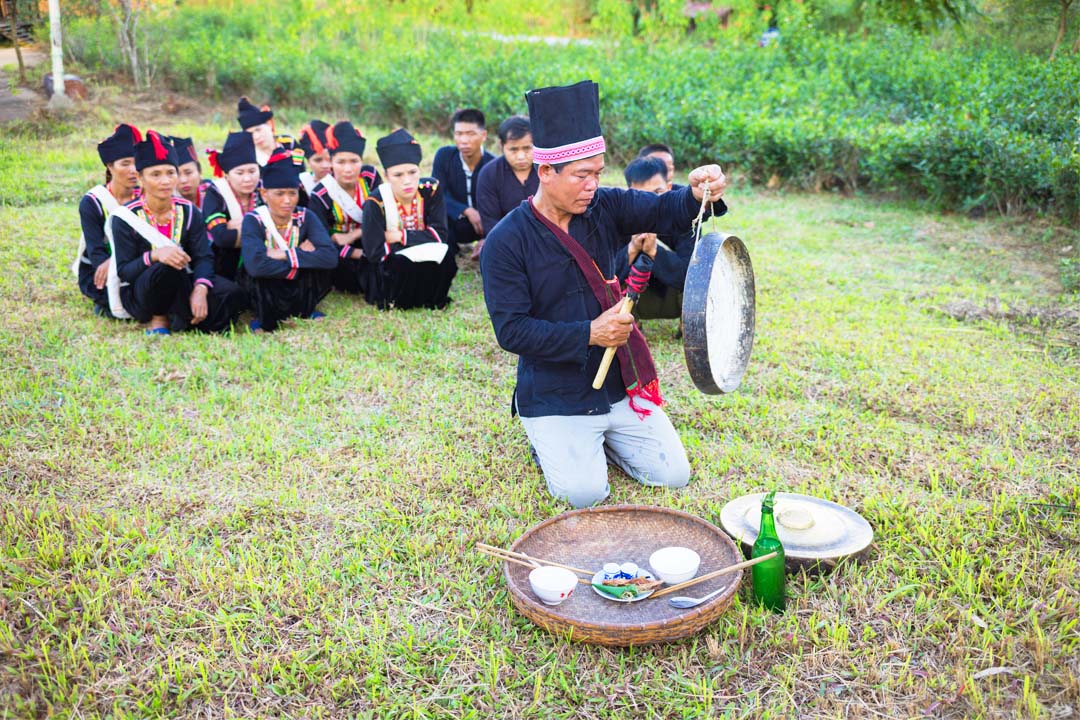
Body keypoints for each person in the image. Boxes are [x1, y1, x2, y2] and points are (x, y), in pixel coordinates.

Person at [480, 80, 728, 509]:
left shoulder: (604, 206)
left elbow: (665, 210)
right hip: (554, 390)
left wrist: (694, 192)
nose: (592, 185)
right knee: (585, 493)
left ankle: (602, 440)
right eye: (581, 175)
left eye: (598, 173)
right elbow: (512, 331)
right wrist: (589, 333)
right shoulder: (506, 241)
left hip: (616, 383)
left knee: (673, 474)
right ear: (545, 172)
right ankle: (548, 438)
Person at [111, 130, 246, 335]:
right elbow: (125, 271)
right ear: (140, 178)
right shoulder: (125, 217)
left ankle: (185, 317)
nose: (166, 181)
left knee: (232, 293)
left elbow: (203, 256)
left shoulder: (189, 211)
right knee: (165, 269)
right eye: (156, 174)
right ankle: (159, 318)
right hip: (144, 290)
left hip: (184, 281)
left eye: (170, 173)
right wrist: (154, 255)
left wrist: (200, 289)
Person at [241, 153, 338, 332]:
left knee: (320, 272)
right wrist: (300, 258)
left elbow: (330, 257)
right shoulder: (253, 220)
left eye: (292, 193)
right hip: (267, 283)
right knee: (257, 277)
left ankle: (306, 309)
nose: (287, 200)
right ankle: (262, 317)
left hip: (292, 277)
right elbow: (255, 265)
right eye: (279, 194)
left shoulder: (306, 216)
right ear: (264, 194)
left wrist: (284, 255)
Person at [361, 128, 456, 310]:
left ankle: (434, 299)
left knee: (447, 256)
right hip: (391, 266)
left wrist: (401, 236)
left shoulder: (430, 189)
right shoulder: (375, 202)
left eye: (412, 172)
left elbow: (440, 235)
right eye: (398, 175)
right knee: (401, 263)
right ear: (387, 175)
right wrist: (421, 238)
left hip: (420, 254)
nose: (407, 181)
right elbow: (374, 251)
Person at [613, 156, 695, 320]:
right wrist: (632, 249)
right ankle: (630, 324)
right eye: (641, 195)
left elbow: (692, 278)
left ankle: (687, 323)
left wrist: (654, 252)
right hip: (634, 302)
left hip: (674, 301)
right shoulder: (619, 218)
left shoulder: (685, 220)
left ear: (669, 188)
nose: (652, 202)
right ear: (628, 194)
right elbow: (605, 276)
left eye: (658, 193)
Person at [74, 123, 141, 318]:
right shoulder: (93, 201)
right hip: (102, 267)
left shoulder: (145, 196)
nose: (133, 170)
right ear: (110, 167)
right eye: (125, 164)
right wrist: (111, 263)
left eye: (137, 163)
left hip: (137, 264)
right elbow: (96, 252)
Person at [308, 121, 381, 294]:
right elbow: (321, 238)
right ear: (331, 162)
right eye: (341, 162)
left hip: (371, 240)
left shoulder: (370, 177)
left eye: (354, 161)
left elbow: (383, 216)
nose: (348, 169)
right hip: (341, 252)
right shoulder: (321, 194)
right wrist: (357, 253)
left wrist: (355, 234)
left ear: (361, 161)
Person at [475, 115, 539, 259]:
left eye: (527, 148)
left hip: (546, 237)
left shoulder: (549, 170)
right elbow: (490, 222)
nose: (521, 156)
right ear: (501, 146)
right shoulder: (489, 174)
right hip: (506, 241)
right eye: (514, 150)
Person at [432, 108, 495, 255]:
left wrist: (489, 235)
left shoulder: (494, 164)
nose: (464, 140)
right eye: (459, 134)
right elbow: (437, 192)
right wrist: (465, 210)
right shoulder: (444, 156)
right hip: (455, 222)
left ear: (483, 135)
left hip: (486, 225)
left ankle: (487, 246)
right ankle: (450, 250)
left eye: (471, 134)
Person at [203, 131, 260, 282]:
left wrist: (240, 228)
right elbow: (222, 238)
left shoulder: (264, 189)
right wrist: (260, 229)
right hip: (225, 265)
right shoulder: (216, 193)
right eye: (239, 173)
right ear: (227, 175)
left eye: (252, 171)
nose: (247, 178)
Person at [236, 96, 302, 167]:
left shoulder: (289, 142)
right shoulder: (249, 156)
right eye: (250, 134)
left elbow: (300, 169)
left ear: (268, 124)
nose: (256, 137)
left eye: (258, 130)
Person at [168, 136, 209, 210]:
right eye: (176, 174)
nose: (183, 180)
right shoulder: (167, 202)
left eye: (188, 173)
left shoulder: (215, 194)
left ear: (199, 171)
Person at [297, 120, 332, 195]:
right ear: (308, 162)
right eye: (318, 160)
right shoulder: (301, 186)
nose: (325, 165)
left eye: (330, 159)